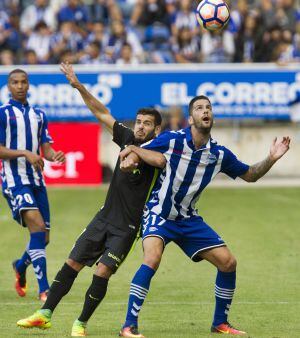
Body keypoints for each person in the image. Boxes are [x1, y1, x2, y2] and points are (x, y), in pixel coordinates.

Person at [118, 95, 290, 337]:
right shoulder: (172, 140)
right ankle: (128, 326)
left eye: (208, 108)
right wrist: (132, 157)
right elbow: (139, 152)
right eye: (199, 108)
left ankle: (220, 323)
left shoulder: (219, 154)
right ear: (191, 118)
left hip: (188, 219)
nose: (205, 111)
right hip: (160, 213)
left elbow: (250, 175)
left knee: (228, 263)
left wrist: (271, 158)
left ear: (212, 117)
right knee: (152, 258)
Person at [17, 62, 164, 337]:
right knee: (72, 263)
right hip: (104, 217)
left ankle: (80, 324)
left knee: (102, 272)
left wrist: (133, 153)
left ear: (157, 130)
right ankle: (45, 313)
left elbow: (159, 161)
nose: (141, 127)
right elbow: (101, 112)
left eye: (147, 124)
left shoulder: (158, 147)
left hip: (128, 227)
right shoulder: (128, 136)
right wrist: (78, 86)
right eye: (139, 122)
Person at [0, 69, 65, 301]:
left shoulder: (39, 114)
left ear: (29, 85)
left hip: (37, 180)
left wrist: (54, 155)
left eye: (23, 82)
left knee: (44, 237)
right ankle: (45, 290)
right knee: (37, 227)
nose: (19, 86)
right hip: (14, 180)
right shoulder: (3, 114)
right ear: (8, 87)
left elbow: (45, 148)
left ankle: (20, 266)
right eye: (15, 82)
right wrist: (24, 153)